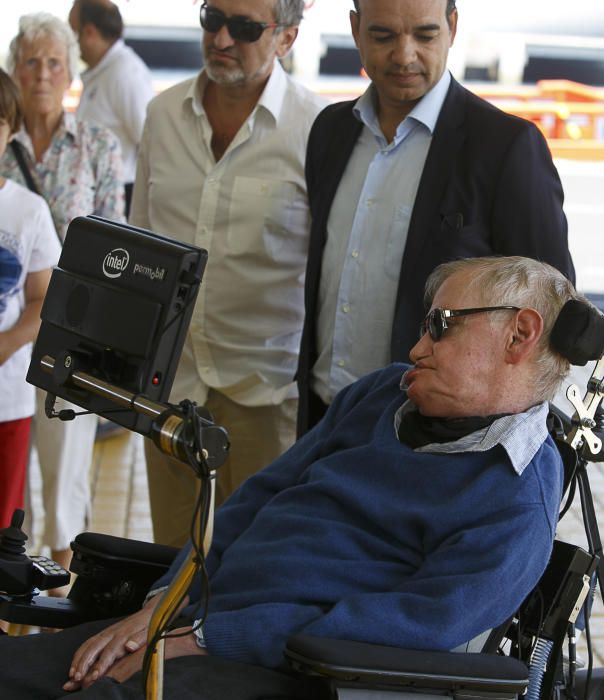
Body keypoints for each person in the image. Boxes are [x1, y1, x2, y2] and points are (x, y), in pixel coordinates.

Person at [0, 254, 581, 699]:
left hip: (286, 669)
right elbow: (257, 498)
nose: (417, 345)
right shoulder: (383, 394)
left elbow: (413, 628)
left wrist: (200, 640)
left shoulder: (514, 495)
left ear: (520, 335)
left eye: (442, 326)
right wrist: (159, 607)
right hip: (192, 620)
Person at [295, 0, 576, 436]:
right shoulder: (329, 131)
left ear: (452, 26)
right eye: (383, 35)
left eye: (424, 36)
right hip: (324, 421)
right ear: (355, 29)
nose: (404, 55)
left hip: (440, 442)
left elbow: (554, 316)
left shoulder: (506, 148)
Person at [130, 0, 327, 547]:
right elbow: (142, 243)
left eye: (244, 28)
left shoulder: (316, 130)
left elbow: (329, 276)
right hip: (168, 384)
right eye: (212, 17)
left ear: (287, 38)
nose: (221, 38)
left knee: (255, 566)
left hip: (266, 394)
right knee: (168, 565)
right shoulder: (162, 114)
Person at [0, 12, 124, 577]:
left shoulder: (96, 145)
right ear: (14, 70)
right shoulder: (2, 146)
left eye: (54, 62)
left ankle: (63, 586)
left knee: (66, 468)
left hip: (70, 334)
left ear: (71, 70)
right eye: (31, 62)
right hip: (8, 334)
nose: (43, 74)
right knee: (10, 472)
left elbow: (117, 246)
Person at [0, 68, 61, 528]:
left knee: (3, 521)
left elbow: (43, 297)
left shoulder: (27, 210)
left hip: (7, 400)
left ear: (10, 129)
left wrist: (7, 343)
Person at [68, 0, 155, 216]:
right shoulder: (104, 70)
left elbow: (150, 143)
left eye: (72, 33)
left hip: (120, 196)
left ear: (88, 32)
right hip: (94, 192)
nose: (70, 43)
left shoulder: (125, 73)